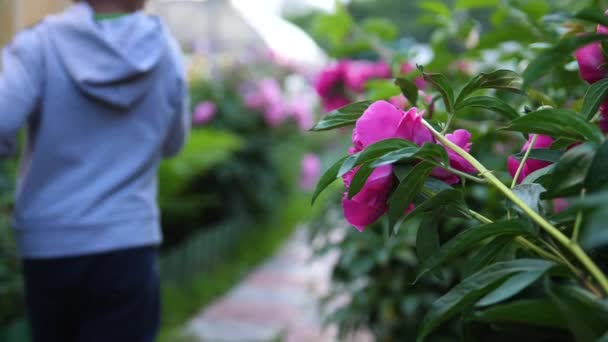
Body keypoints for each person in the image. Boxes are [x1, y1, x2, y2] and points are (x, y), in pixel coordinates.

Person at [0, 0, 189, 341]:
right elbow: (174, 143)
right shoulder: (166, 50)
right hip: (128, 239)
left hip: (49, 244)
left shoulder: (39, 43)